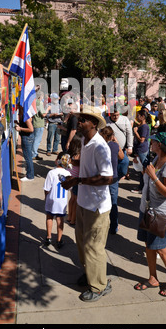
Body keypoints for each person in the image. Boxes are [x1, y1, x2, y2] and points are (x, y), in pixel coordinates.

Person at [61, 105, 114, 302]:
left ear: (94, 124)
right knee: (82, 243)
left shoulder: (101, 146)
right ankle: (91, 274)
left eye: (84, 119)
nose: (80, 122)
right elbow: (86, 165)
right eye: (80, 118)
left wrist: (77, 180)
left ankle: (99, 286)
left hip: (97, 206)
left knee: (94, 247)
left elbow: (107, 178)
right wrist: (72, 164)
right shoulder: (85, 140)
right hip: (85, 201)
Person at [135, 132, 166, 297]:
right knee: (148, 246)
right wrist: (141, 167)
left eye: (153, 141)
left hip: (160, 214)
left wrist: (153, 176)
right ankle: (153, 278)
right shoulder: (155, 159)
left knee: (160, 248)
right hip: (147, 209)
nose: (150, 143)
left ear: (159, 145)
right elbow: (147, 178)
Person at [43, 152, 72, 248]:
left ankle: (48, 237)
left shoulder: (51, 173)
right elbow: (69, 188)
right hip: (62, 201)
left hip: (51, 199)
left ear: (57, 161)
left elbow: (47, 188)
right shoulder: (68, 174)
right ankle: (59, 240)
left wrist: (45, 197)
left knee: (49, 217)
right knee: (60, 220)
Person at [100, 126, 124, 234]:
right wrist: (117, 142)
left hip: (101, 178)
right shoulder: (114, 146)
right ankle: (114, 226)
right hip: (113, 177)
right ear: (112, 136)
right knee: (113, 203)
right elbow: (122, 157)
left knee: (101, 202)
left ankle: (101, 226)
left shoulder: (99, 146)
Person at [105, 104, 133, 179]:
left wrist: (130, 146)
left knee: (124, 165)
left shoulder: (124, 119)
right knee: (112, 168)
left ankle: (117, 178)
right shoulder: (106, 121)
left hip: (122, 149)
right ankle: (113, 180)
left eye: (117, 115)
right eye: (114, 115)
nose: (116, 117)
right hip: (110, 150)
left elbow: (129, 133)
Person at [132, 109, 150, 193]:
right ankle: (141, 187)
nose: (137, 117)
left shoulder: (144, 127)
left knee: (143, 170)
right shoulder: (142, 126)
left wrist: (136, 132)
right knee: (141, 169)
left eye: (138, 115)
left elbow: (142, 140)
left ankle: (145, 187)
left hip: (142, 150)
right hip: (140, 150)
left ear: (143, 117)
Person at [15, 105, 35, 181]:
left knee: (28, 157)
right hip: (27, 137)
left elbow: (31, 129)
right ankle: (29, 174)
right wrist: (19, 124)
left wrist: (20, 128)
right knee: (27, 157)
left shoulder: (26, 116)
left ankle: (30, 176)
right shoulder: (24, 115)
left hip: (27, 137)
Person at [67, 135, 82, 226]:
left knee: (72, 198)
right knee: (76, 200)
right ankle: (73, 219)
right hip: (77, 179)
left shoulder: (70, 154)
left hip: (70, 178)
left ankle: (69, 216)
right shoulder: (79, 155)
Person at [32, 91, 48, 160]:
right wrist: (48, 109)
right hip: (39, 123)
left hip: (35, 122)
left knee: (35, 139)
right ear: (40, 96)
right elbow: (43, 114)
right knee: (37, 140)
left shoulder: (34, 102)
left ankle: (34, 153)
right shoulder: (39, 102)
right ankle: (34, 154)